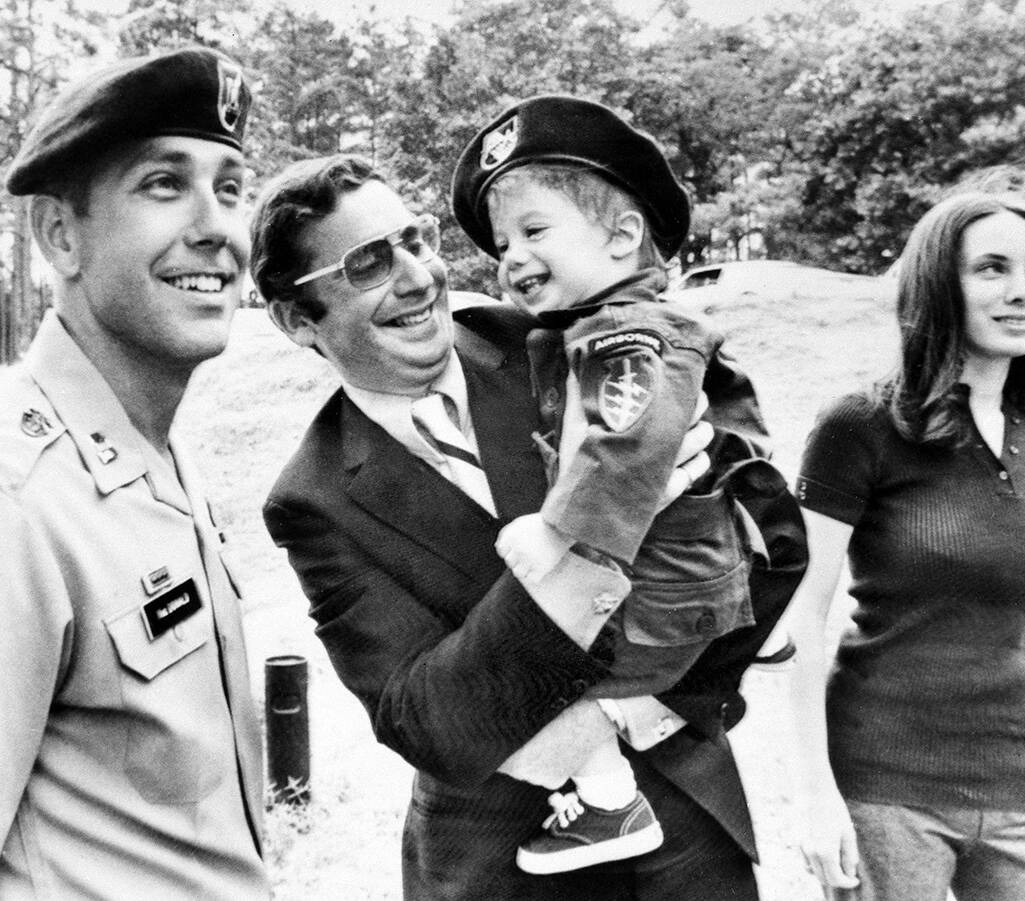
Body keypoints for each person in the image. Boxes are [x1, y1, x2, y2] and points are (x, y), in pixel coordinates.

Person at [252, 151, 806, 900]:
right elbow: (426, 718)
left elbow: (758, 513)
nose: (418, 277)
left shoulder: (555, 334)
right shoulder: (312, 498)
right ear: (297, 320)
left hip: (687, 825)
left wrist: (656, 703)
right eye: (370, 263)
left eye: (415, 240)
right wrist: (586, 548)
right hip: (500, 865)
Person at [450, 94, 781, 875]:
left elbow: (627, 442)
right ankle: (609, 786)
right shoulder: (599, 326)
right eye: (503, 241)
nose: (512, 256)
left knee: (530, 680)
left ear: (623, 237)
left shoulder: (627, 332)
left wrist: (554, 533)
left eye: (535, 230)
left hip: (662, 600)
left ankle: (609, 799)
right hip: (674, 590)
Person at [0, 48, 267, 898]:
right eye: (163, 183)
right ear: (60, 235)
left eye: (231, 188)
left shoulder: (154, 445)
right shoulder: (18, 495)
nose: (217, 227)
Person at [786, 191, 1025, 900]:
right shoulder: (859, 425)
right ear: (937, 285)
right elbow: (800, 617)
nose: (1023, 291)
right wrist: (815, 792)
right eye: (992, 268)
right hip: (889, 785)